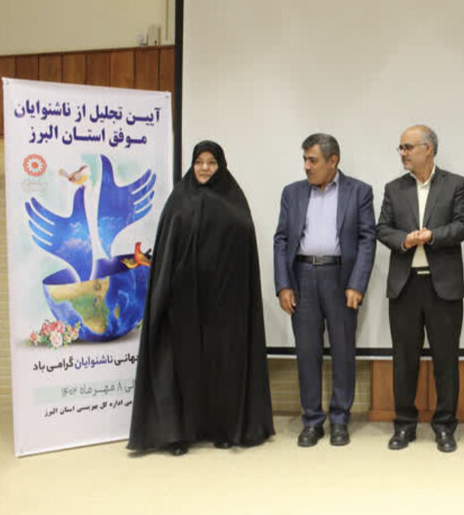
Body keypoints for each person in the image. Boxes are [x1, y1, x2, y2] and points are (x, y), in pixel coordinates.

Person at [128, 141, 275, 455]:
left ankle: (225, 428)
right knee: (182, 365)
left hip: (224, 304)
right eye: (199, 162)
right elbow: (167, 251)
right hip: (184, 303)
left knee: (223, 365)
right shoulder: (178, 201)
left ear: (221, 165)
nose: (205, 168)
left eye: (211, 162)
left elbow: (243, 247)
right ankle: (179, 434)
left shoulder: (234, 201)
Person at [273, 133, 376, 447]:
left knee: (343, 350)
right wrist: (283, 284)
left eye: (313, 160)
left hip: (340, 278)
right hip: (302, 276)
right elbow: (281, 240)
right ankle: (312, 420)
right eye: (305, 159)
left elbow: (367, 239)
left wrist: (357, 283)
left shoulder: (359, 191)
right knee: (307, 351)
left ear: (333, 161)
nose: (306, 166)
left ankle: (340, 419)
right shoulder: (292, 192)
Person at [376, 125, 464, 453]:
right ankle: (404, 425)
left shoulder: (456, 184)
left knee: (446, 360)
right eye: (401, 148)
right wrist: (404, 240)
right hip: (404, 287)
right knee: (404, 360)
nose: (402, 153)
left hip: (442, 286)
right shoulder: (394, 188)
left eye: (408, 147)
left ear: (427, 149)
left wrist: (432, 236)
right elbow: (382, 228)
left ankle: (445, 427)